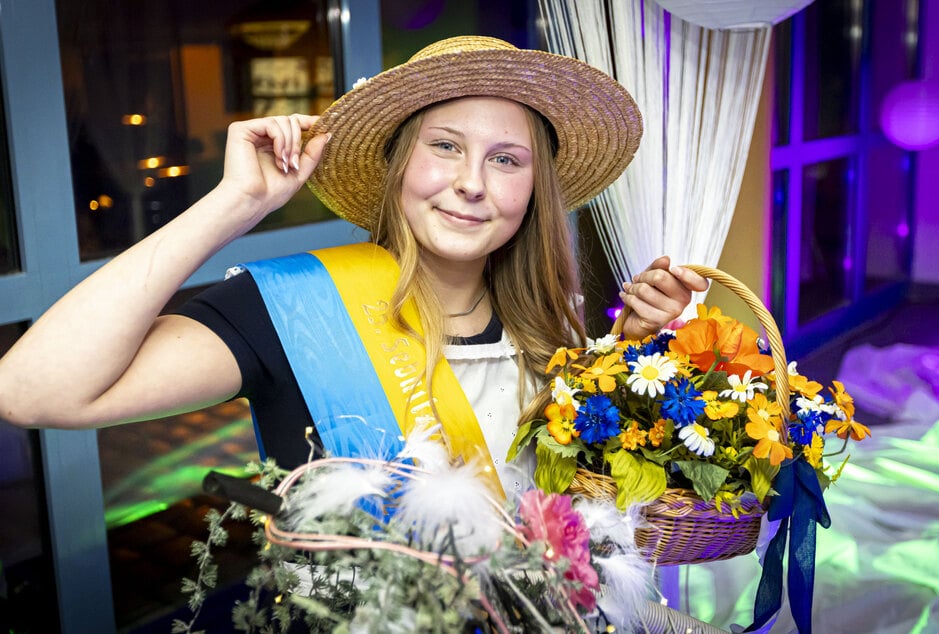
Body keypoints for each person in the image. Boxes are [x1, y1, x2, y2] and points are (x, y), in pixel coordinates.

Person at [0, 36, 707, 499]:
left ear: (532, 191)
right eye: (445, 147)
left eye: (504, 159)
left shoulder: (547, 325)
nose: (471, 183)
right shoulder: (293, 309)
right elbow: (31, 392)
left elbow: (591, 492)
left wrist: (634, 350)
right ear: (398, 167)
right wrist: (232, 204)